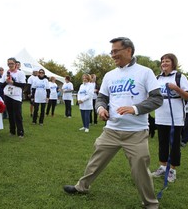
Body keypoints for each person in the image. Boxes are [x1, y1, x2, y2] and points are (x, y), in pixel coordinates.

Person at [63, 37, 163, 209]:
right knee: (95, 161)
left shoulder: (145, 72)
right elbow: (101, 98)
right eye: (112, 52)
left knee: (140, 169)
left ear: (129, 51)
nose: (113, 55)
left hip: (136, 132)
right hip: (111, 130)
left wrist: (135, 108)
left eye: (116, 51)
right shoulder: (110, 75)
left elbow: (157, 98)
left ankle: (150, 204)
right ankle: (82, 187)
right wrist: (101, 109)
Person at [152, 53, 188, 183]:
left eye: (167, 61)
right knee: (162, 143)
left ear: (173, 63)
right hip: (160, 116)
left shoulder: (179, 77)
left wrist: (176, 88)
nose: (164, 63)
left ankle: (172, 170)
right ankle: (163, 167)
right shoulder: (157, 78)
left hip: (176, 117)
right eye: (162, 61)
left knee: (174, 145)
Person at [0, 57, 26, 138]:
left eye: (12, 63)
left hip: (17, 96)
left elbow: (23, 85)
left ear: (15, 64)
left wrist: (13, 82)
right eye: (9, 63)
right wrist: (6, 82)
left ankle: (20, 132)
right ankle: (12, 131)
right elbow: (1, 85)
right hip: (8, 95)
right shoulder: (5, 73)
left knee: (17, 114)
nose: (10, 65)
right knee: (10, 114)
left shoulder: (20, 73)